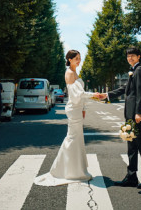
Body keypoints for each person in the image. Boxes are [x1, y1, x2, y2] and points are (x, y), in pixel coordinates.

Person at [34, 50, 97, 186]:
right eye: (76, 59)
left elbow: (79, 94)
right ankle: (63, 171)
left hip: (77, 109)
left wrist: (84, 108)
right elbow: (75, 95)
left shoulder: (75, 73)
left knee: (77, 138)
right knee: (72, 138)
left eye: (80, 58)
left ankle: (76, 170)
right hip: (73, 109)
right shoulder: (69, 73)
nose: (79, 61)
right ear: (69, 59)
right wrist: (94, 95)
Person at [100, 46, 141, 189]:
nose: (130, 58)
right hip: (130, 115)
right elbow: (124, 89)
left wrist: (139, 112)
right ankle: (131, 177)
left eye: (133, 55)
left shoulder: (139, 70)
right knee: (132, 146)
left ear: (139, 56)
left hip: (135, 115)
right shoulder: (133, 71)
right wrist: (107, 95)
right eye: (128, 56)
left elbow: (140, 92)